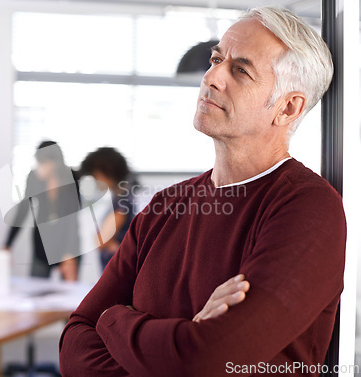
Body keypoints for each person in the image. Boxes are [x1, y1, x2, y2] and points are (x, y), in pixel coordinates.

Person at [59, 6, 346, 377]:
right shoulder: (165, 206)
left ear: (288, 108)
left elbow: (208, 361)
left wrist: (116, 321)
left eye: (240, 70)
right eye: (215, 59)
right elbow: (73, 349)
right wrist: (185, 338)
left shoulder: (307, 209)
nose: (211, 77)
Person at [4, 141, 81, 281]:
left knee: (70, 295)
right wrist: (8, 244)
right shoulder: (34, 178)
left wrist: (69, 253)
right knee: (36, 291)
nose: (40, 167)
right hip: (42, 245)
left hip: (67, 242)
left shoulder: (72, 177)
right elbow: (23, 210)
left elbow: (72, 219)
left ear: (54, 162)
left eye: (43, 162)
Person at [79, 147, 136, 270]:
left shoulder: (123, 201)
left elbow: (101, 241)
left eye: (96, 176)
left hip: (118, 271)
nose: (95, 181)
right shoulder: (117, 198)